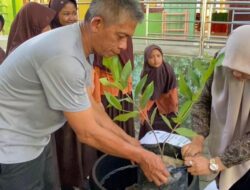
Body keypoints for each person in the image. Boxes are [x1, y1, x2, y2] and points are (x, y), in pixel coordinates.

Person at [0, 1, 169, 190]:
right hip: (12, 145)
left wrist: (129, 141)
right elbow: (87, 132)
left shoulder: (82, 44)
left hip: (37, 137)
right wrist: (142, 156)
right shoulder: (64, 57)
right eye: (121, 36)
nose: (123, 46)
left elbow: (93, 106)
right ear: (97, 23)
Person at [182, 25, 250, 190]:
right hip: (223, 148)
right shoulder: (221, 62)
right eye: (232, 67)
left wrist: (214, 164)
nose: (235, 75)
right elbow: (203, 99)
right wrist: (198, 139)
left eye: (243, 70)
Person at [138, 44, 178, 139]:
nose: (156, 60)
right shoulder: (147, 71)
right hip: (152, 106)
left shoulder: (167, 68)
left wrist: (174, 105)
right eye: (151, 57)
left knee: (163, 130)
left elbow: (173, 89)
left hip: (166, 105)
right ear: (146, 59)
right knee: (152, 130)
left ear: (162, 56)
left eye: (158, 56)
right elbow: (145, 93)